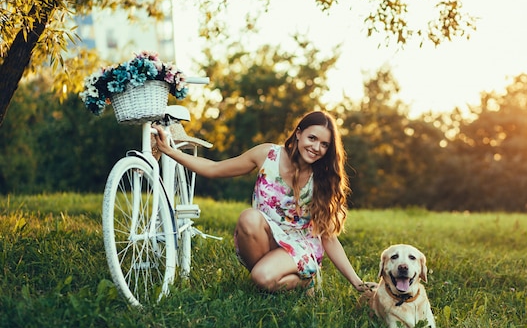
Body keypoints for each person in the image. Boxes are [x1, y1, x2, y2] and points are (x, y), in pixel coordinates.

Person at [154, 110, 376, 295]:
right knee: (249, 217)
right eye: (312, 138)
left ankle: (304, 281)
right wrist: (169, 151)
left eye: (324, 144)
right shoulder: (267, 155)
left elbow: (328, 237)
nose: (316, 148)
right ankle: (269, 279)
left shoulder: (323, 178)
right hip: (264, 235)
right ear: (298, 134)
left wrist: (356, 282)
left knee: (261, 278)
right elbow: (214, 169)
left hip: (299, 246)